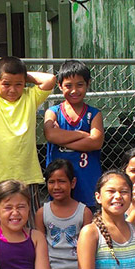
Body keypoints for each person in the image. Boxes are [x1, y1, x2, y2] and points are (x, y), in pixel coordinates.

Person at [0, 56, 57, 212]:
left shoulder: (30, 97)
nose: (12, 90)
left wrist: (21, 75)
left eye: (18, 84)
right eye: (6, 84)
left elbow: (50, 78)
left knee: (29, 220)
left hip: (27, 175)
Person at [34, 159, 92, 269]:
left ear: (72, 183)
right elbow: (40, 251)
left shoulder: (84, 212)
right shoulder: (42, 213)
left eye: (61, 181)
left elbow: (90, 251)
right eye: (51, 182)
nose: (56, 186)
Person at [44, 60, 104, 209]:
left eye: (79, 85)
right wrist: (83, 135)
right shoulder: (53, 112)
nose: (74, 90)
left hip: (87, 179)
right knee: (61, 214)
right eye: (68, 86)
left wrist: (62, 139)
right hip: (60, 180)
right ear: (59, 86)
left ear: (88, 84)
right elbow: (50, 134)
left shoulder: (94, 114)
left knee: (89, 216)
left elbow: (96, 142)